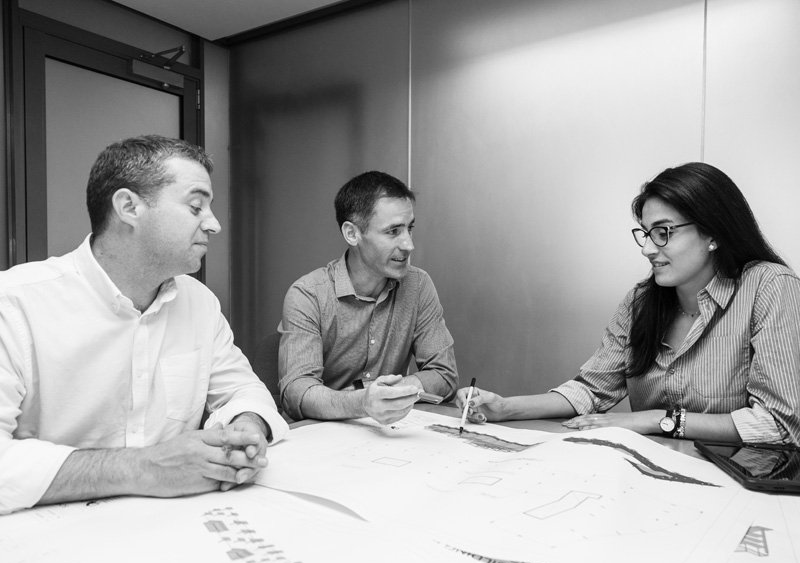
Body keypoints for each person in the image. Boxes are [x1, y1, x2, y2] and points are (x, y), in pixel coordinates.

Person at [0, 135, 289, 514]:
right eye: (196, 206)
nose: (215, 224)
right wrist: (144, 469)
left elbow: (243, 390)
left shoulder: (199, 303)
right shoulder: (14, 303)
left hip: (177, 523)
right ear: (129, 207)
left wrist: (245, 428)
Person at [457, 162, 800, 444]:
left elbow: (778, 424)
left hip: (734, 488)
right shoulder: (641, 300)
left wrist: (655, 420)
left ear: (713, 234)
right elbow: (592, 390)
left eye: (664, 232)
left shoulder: (770, 286)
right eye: (646, 234)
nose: (648, 249)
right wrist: (504, 408)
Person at [278, 171, 458, 425]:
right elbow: (296, 393)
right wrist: (362, 401)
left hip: (384, 434)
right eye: (393, 231)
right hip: (320, 435)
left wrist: (387, 394)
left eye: (409, 228)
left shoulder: (418, 285)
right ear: (352, 234)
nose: (408, 244)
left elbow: (444, 375)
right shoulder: (308, 294)